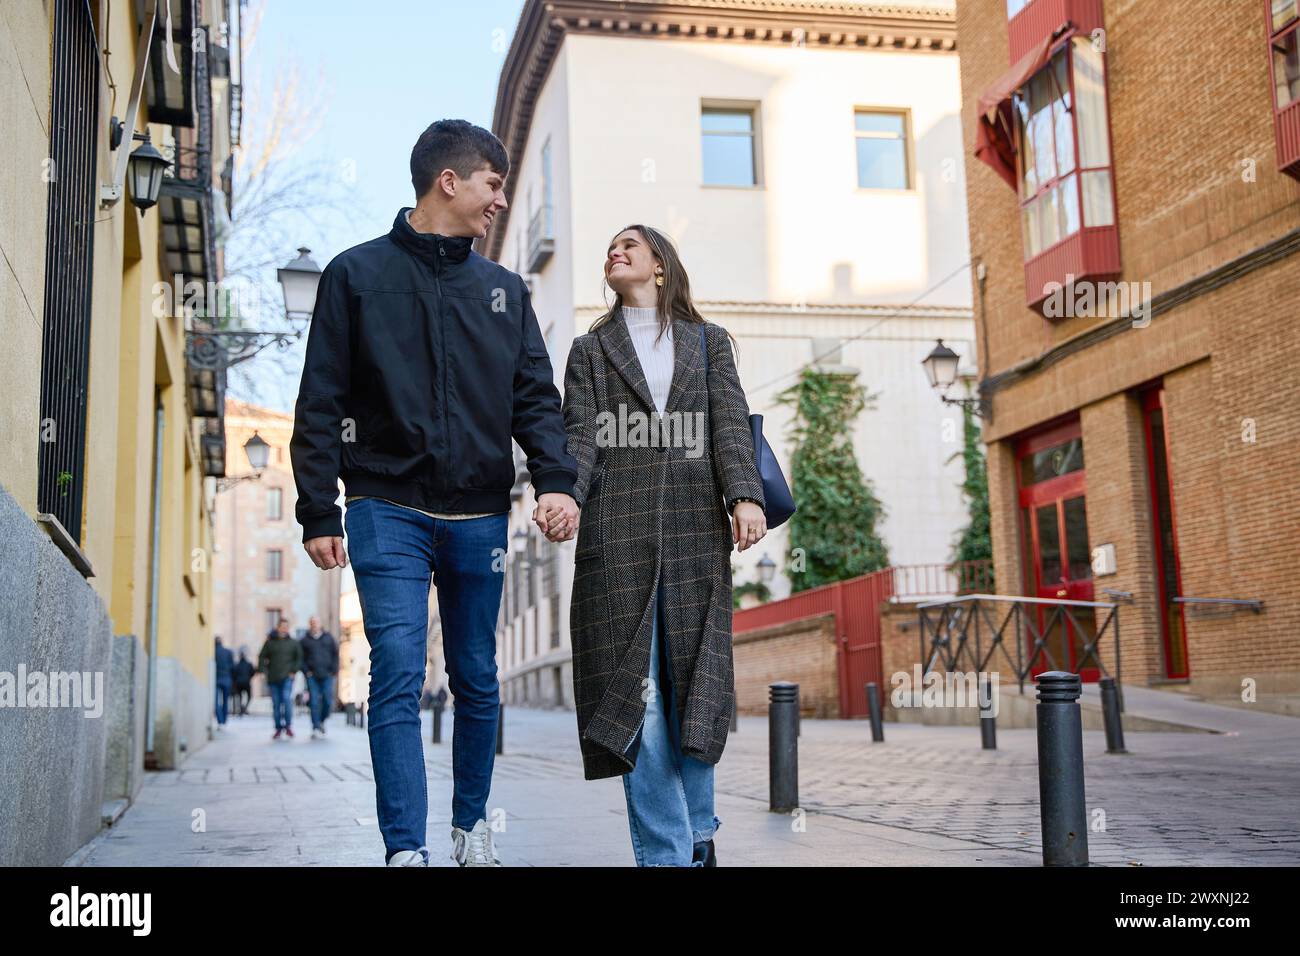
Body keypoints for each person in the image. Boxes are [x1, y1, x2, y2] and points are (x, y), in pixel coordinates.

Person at [290, 119, 578, 867]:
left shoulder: (504, 292)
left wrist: (555, 481)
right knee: (396, 670)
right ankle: (403, 848)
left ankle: (470, 826)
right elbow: (320, 397)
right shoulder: (355, 275)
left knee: (477, 677)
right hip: (384, 507)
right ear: (448, 182)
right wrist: (318, 506)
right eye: (492, 183)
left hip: (479, 515)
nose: (500, 200)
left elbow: (536, 401)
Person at [560, 224, 767, 867]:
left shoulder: (709, 344)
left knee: (692, 692)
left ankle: (699, 832)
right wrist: (564, 493)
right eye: (610, 248)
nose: (614, 252)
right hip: (613, 547)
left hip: (693, 540)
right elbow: (580, 439)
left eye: (631, 245)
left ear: (660, 266)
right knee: (634, 700)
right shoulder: (590, 351)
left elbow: (730, 423)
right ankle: (669, 853)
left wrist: (746, 495)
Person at [257, 619, 303, 740]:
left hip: (287, 677)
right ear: (278, 628)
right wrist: (262, 671)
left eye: (286, 627)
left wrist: (294, 671)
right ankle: (278, 728)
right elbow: (262, 656)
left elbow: (299, 658)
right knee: (276, 704)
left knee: (287, 700)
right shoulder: (270, 643)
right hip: (273, 678)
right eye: (282, 626)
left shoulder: (293, 643)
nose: (284, 629)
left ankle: (288, 726)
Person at [301, 616, 340, 739]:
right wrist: (306, 671)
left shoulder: (328, 638)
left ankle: (322, 720)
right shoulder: (304, 640)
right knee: (313, 701)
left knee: (328, 700)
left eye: (316, 622)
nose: (315, 625)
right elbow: (301, 658)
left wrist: (334, 670)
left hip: (327, 675)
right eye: (312, 623)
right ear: (310, 624)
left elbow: (335, 654)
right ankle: (316, 726)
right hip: (312, 676)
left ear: (320, 624)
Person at [213, 637, 234, 729]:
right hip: (226, 678)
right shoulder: (228, 652)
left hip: (216, 679)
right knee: (225, 701)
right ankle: (224, 720)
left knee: (216, 701)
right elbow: (232, 666)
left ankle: (220, 721)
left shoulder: (213, 652)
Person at [232, 650, 255, 716]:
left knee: (240, 697)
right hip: (246, 682)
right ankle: (244, 708)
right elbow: (252, 672)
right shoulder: (249, 664)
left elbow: (234, 674)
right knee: (249, 696)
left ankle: (242, 709)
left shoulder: (237, 665)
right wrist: (249, 677)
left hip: (239, 683)